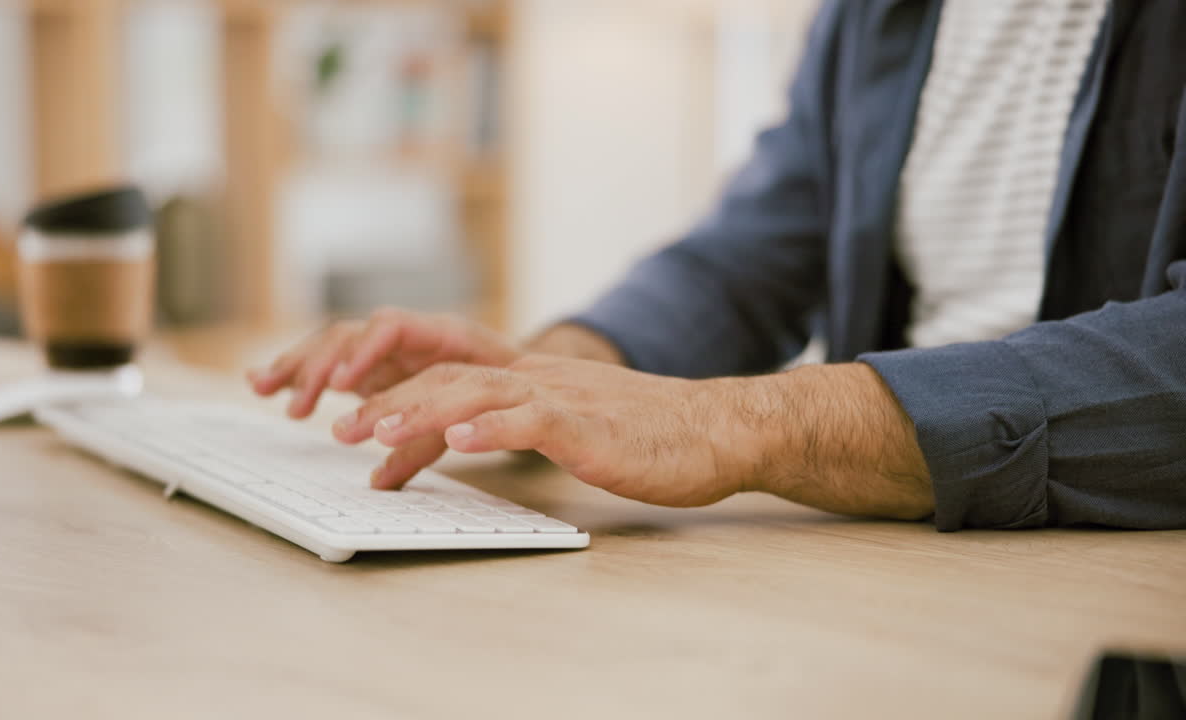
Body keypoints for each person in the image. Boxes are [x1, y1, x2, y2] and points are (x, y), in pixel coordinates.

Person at [249, 0, 1186, 531]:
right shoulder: (871, 18)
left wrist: (741, 423)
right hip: (896, 562)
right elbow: (755, 250)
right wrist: (541, 375)